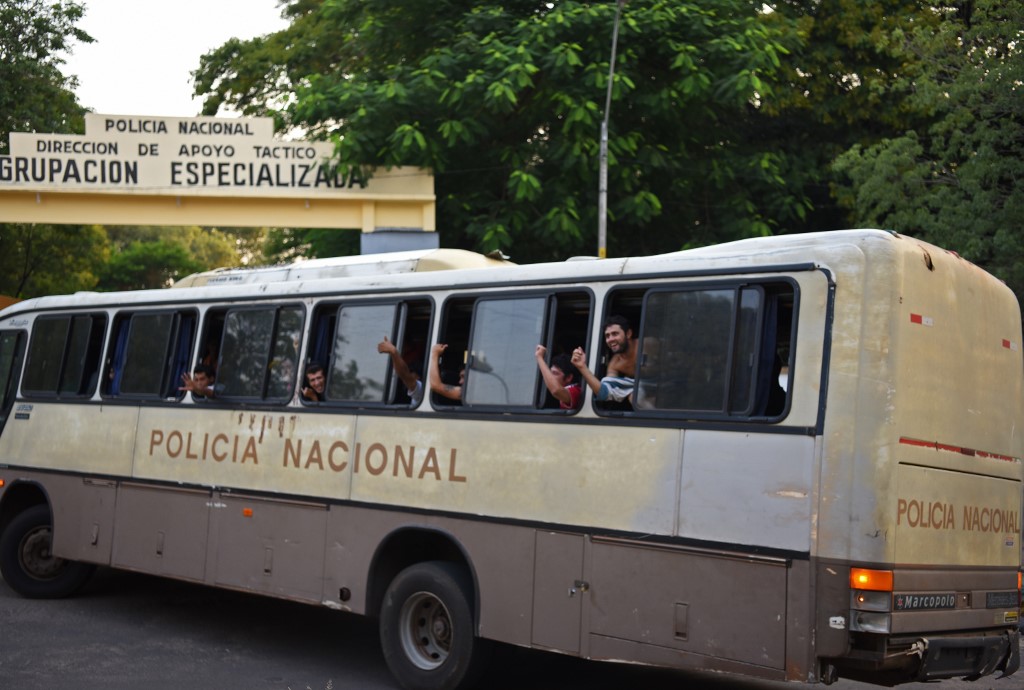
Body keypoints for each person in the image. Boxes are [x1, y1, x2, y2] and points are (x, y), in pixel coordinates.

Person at [571, 315, 638, 404]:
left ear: (628, 334)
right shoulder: (614, 365)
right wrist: (582, 367)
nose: (610, 339)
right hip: (644, 395)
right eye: (607, 336)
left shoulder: (648, 345)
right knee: (634, 396)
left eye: (615, 334)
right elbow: (604, 393)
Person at [378, 336, 424, 405]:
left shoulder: (420, 392)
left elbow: (405, 375)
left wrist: (394, 352)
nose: (409, 376)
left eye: (411, 373)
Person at [535, 345, 582, 409]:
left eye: (555, 373)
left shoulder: (576, 391)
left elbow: (556, 390)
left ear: (569, 378)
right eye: (550, 372)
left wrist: (539, 357)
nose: (550, 376)